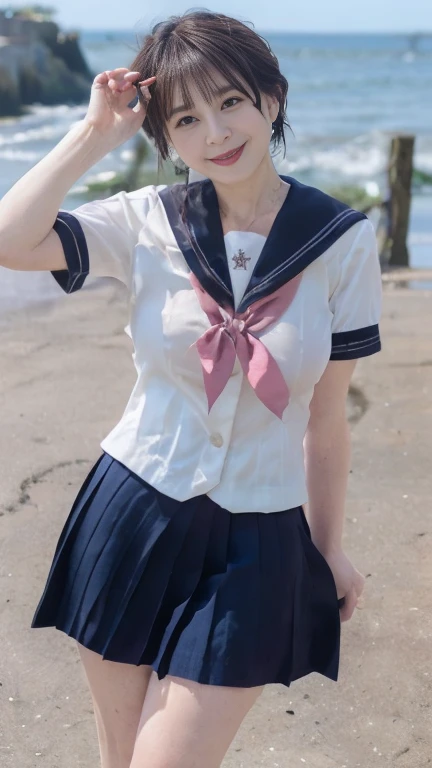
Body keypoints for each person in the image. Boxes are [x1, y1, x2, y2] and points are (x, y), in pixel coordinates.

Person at [0, 10, 382, 768]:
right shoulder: (147, 222)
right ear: (167, 140)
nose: (216, 131)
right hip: (133, 511)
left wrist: (328, 547)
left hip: (260, 540)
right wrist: (92, 138)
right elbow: (11, 241)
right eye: (186, 117)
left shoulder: (340, 239)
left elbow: (326, 419)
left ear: (271, 98)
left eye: (231, 101)